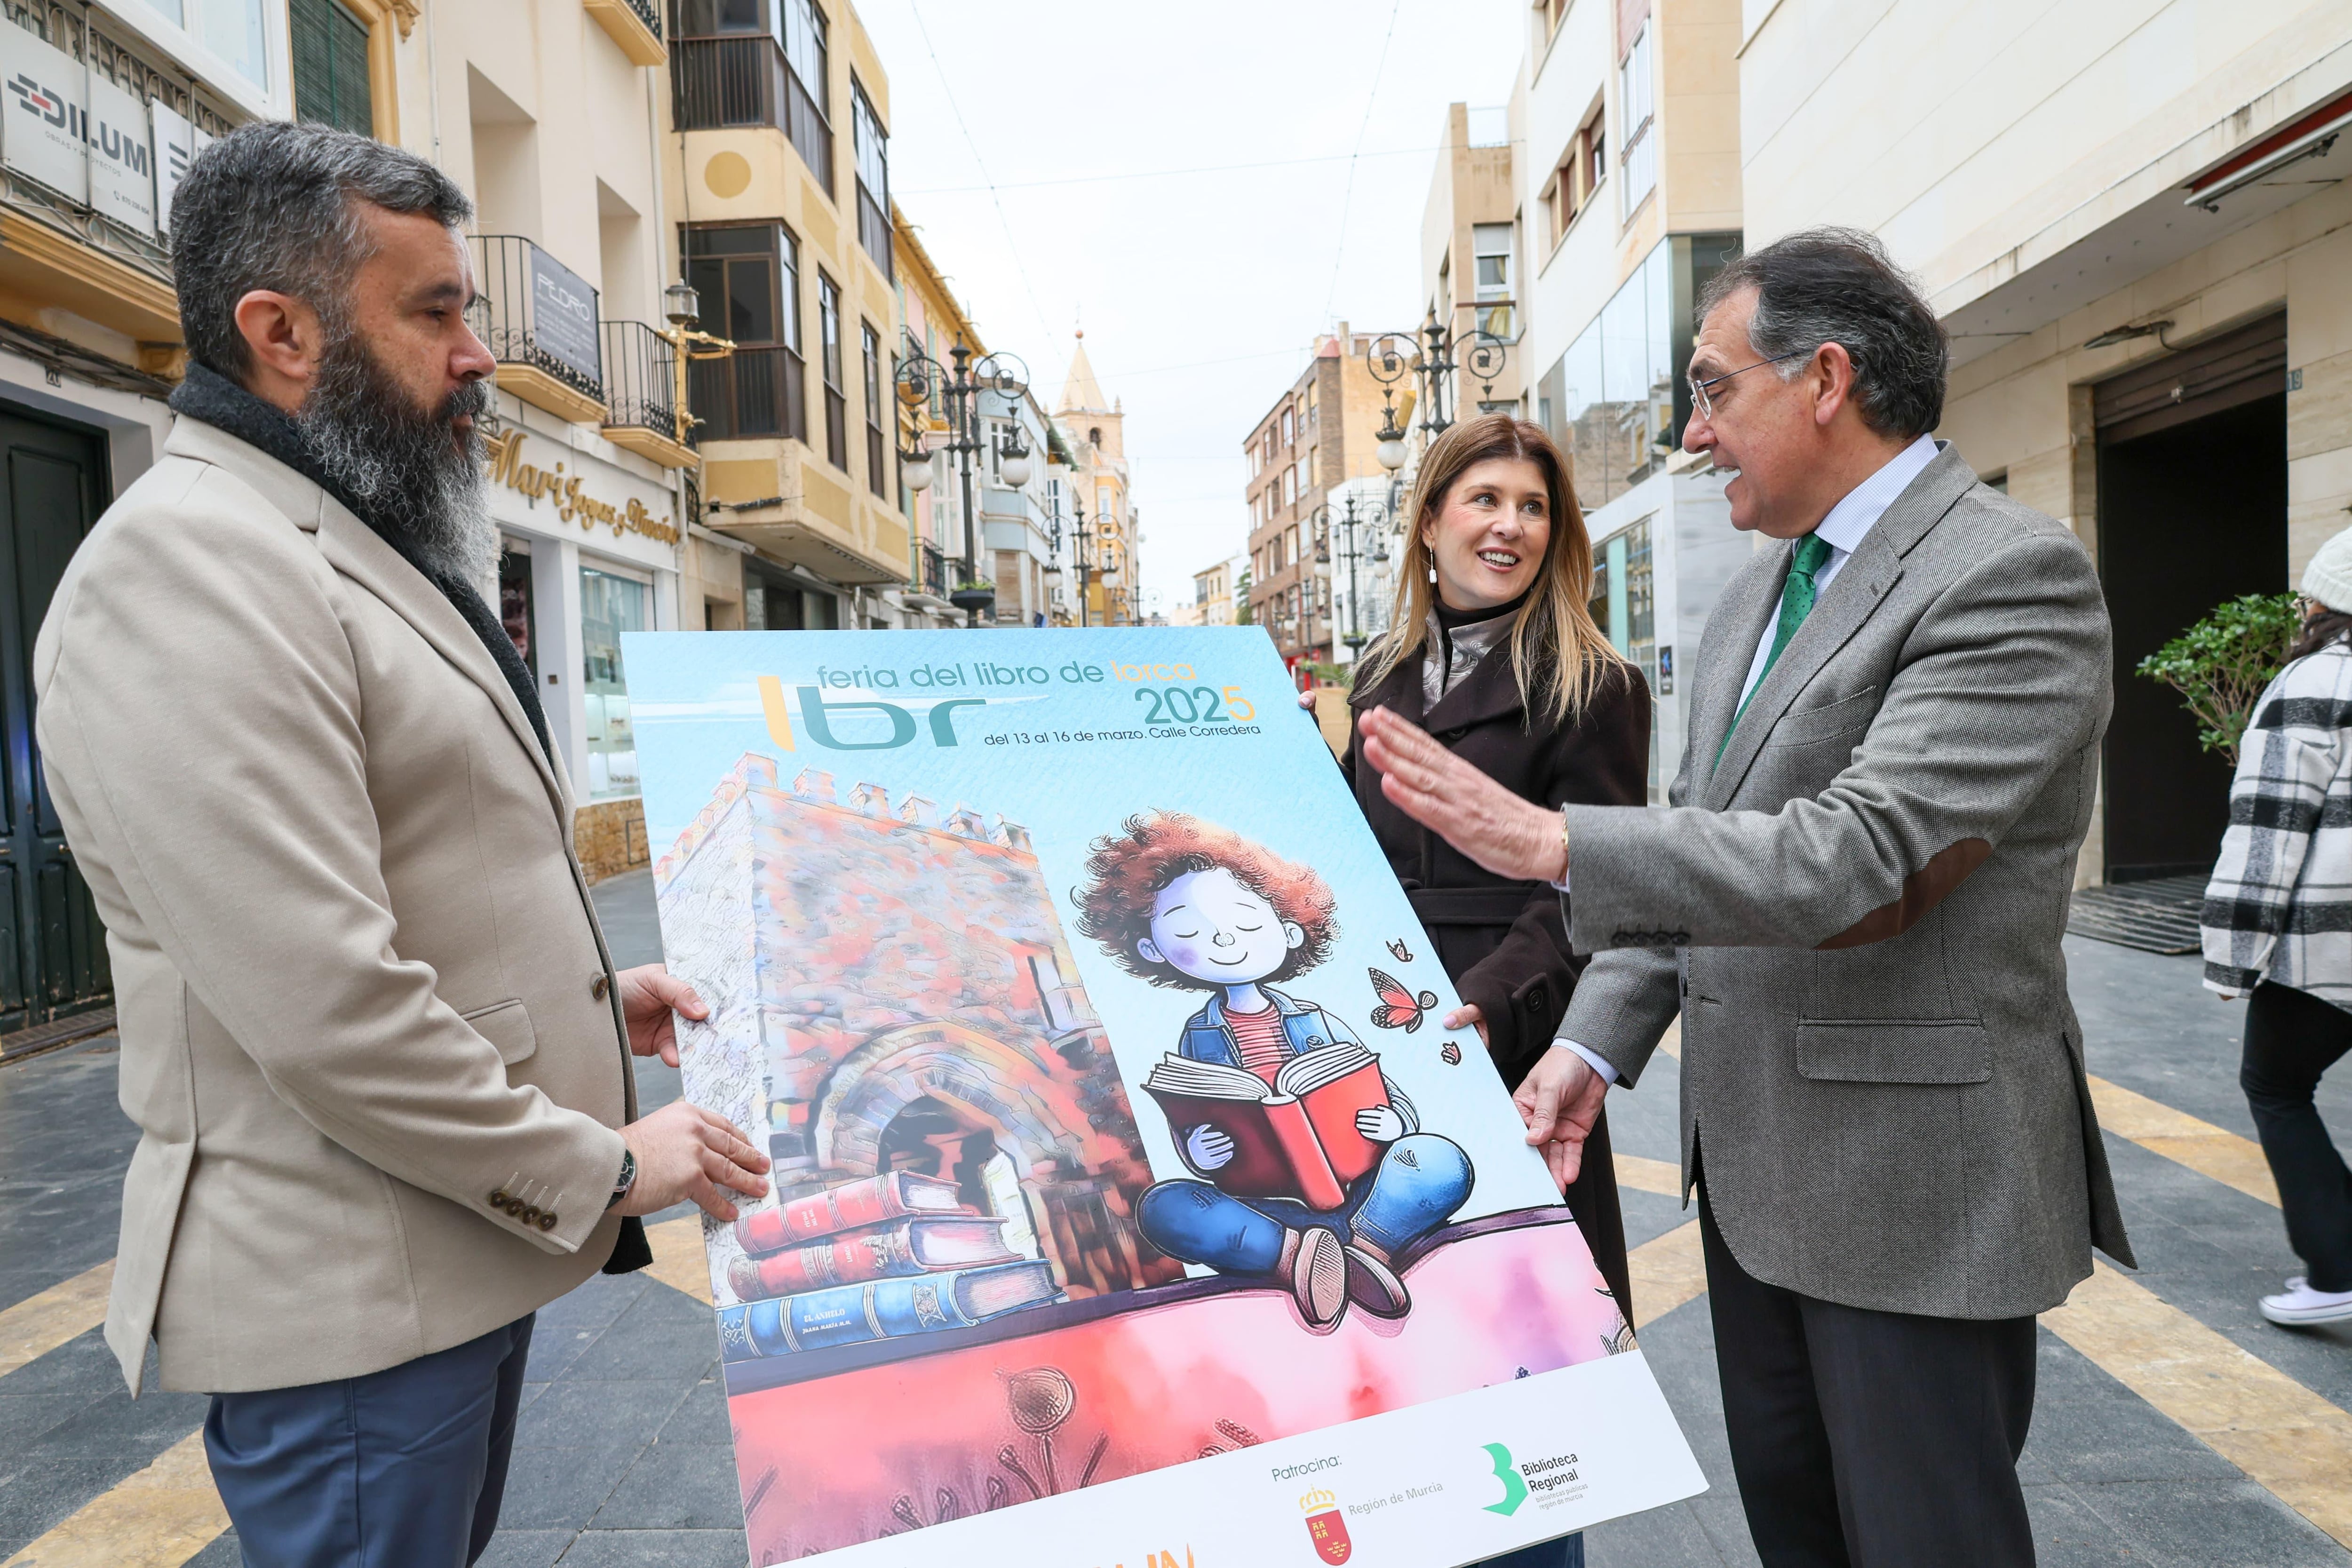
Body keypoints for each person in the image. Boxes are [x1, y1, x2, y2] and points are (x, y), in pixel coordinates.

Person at [32, 123, 771, 1567]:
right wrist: (612, 1170)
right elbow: (326, 1008)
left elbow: (409, 866)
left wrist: (583, 1005)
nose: (478, 351)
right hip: (347, 1313)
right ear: (282, 331)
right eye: (434, 311)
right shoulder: (188, 572)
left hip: (432, 1278)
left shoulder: (328, 532)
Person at [1357, 228, 2133, 1568]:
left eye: (1713, 389)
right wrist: (1590, 1050)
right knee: (1801, 1533)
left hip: (1911, 1191)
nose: (1695, 433)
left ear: (1823, 378)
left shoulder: (2010, 573)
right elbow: (1707, 859)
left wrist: (1549, 842)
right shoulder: (1756, 599)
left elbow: (1861, 855)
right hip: (1757, 1184)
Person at [1339, 413, 1647, 1568]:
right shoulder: (1379, 675)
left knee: (1515, 1387)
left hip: (1505, 1048)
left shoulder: (1593, 681)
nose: (1508, 525)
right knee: (1390, 1369)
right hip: (1375, 1048)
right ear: (1429, 523)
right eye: (1482, 501)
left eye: (1531, 506)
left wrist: (1480, 1003)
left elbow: (1594, 889)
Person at [1074, 812, 1472, 1327]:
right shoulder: (1198, 1036)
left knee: (1438, 1160)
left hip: (1363, 1190)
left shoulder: (1315, 1020)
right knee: (1164, 1208)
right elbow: (1194, 1120)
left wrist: (1395, 1123)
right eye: (1189, 930)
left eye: (1244, 921)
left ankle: (1363, 1247)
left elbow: (1380, 1088)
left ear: (1287, 929)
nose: (1224, 940)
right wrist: (1197, 1151)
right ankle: (1300, 1257)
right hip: (1268, 1208)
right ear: (1152, 948)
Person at [2201, 527, 2352, 1327]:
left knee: (2278, 1085)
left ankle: (2338, 1265)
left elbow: (2268, 829)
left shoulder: (2314, 682)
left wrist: (2233, 958)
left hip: (2330, 944)